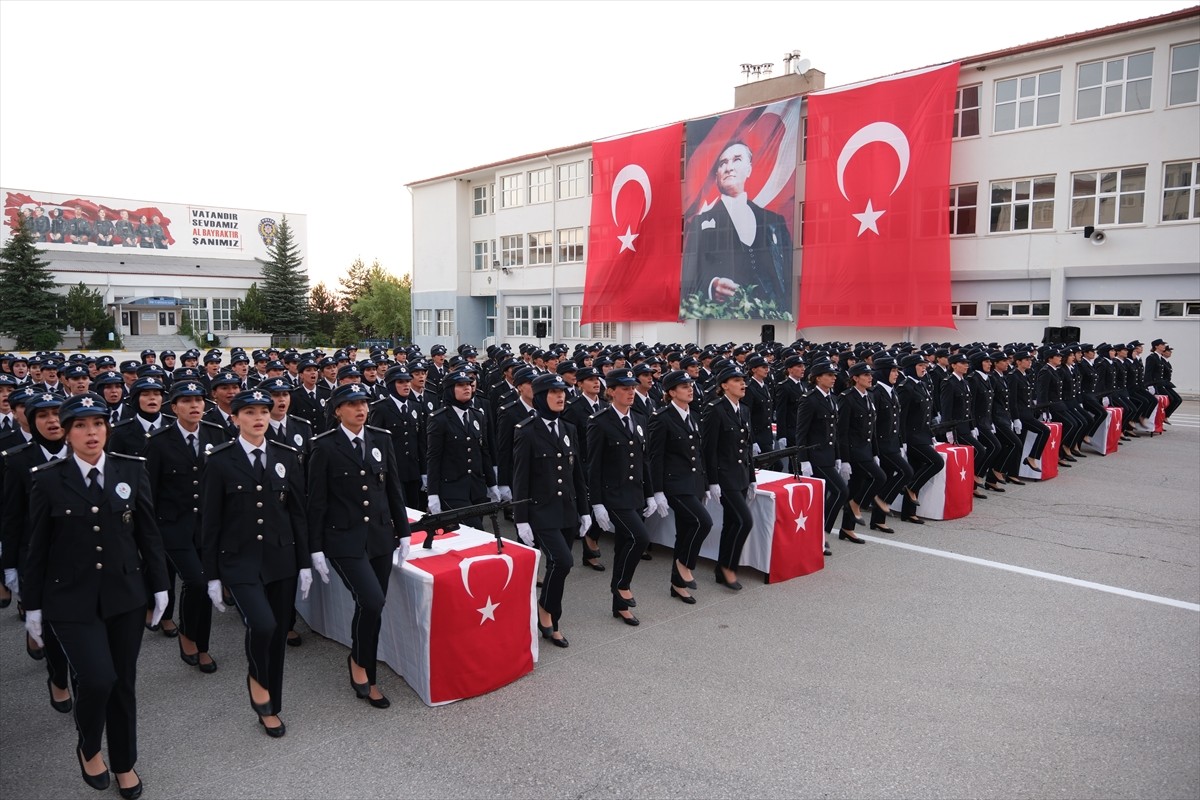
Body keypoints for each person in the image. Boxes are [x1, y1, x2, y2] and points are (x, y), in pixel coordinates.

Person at [23, 392, 169, 798]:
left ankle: (124, 762)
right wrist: (32, 605)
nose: (92, 433)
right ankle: (89, 745)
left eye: (99, 424)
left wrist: (159, 586)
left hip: (125, 593)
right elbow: (37, 547)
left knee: (123, 682)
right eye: (81, 426)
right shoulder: (48, 478)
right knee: (97, 678)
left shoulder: (130, 470)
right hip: (69, 598)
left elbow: (147, 533)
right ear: (67, 434)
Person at [200, 388, 311, 738]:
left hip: (282, 557)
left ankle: (270, 703)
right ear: (235, 419)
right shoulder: (219, 460)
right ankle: (256, 678)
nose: (259, 417)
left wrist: (304, 562)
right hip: (240, 560)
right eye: (248, 412)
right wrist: (212, 576)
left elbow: (297, 513)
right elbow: (210, 522)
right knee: (262, 626)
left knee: (277, 632)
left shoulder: (286, 455)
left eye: (262, 411)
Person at [307, 382, 411, 708]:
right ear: (338, 410)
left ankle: (360, 658)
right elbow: (317, 503)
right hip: (343, 538)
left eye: (364, 403)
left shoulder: (381, 438)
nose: (360, 409)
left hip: (380, 536)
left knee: (372, 605)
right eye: (352, 404)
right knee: (372, 599)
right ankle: (362, 667)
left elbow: (393, 488)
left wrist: (404, 531)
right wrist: (315, 548)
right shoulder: (324, 447)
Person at [143, 380, 226, 674]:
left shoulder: (216, 434)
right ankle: (189, 636)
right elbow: (148, 492)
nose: (194, 406)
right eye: (186, 401)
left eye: (199, 400)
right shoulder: (159, 441)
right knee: (197, 582)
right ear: (174, 406)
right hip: (173, 527)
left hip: (207, 526)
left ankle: (198, 641)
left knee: (201, 585)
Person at [1, 392, 72, 698]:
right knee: (53, 625)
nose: (52, 420)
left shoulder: (84, 453)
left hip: (83, 554)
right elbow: (12, 516)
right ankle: (58, 677)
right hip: (38, 557)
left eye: (57, 413)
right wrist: (9, 566)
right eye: (43, 415)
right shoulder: (18, 461)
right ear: (31, 421)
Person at [512, 373, 590, 647]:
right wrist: (521, 519)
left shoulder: (568, 428)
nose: (561, 397)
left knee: (561, 566)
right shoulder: (527, 430)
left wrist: (585, 509)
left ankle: (547, 608)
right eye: (554, 393)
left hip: (566, 509)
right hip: (540, 511)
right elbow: (520, 479)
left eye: (563, 393)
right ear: (540, 396)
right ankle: (549, 615)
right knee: (564, 561)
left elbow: (576, 473)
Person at [681, 141, 792, 308]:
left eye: (737, 159)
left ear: (749, 169)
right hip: (725, 316)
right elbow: (689, 276)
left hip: (773, 317)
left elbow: (787, 273)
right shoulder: (700, 223)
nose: (729, 168)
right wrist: (712, 286)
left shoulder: (774, 222)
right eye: (722, 163)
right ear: (717, 174)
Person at [587, 367, 656, 625]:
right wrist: (597, 504)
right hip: (613, 496)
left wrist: (650, 494)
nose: (631, 392)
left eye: (632, 388)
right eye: (625, 388)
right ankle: (621, 585)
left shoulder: (638, 420)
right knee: (641, 538)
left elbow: (644, 461)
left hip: (635, 494)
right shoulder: (600, 421)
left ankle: (620, 607)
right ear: (611, 392)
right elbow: (593, 466)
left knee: (624, 546)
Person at [647, 370, 711, 604]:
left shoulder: (692, 415)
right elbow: (655, 457)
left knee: (686, 531)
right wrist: (657, 491)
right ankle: (684, 565)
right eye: (684, 386)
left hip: (692, 483)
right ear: (671, 392)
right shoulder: (662, 417)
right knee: (704, 522)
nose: (690, 389)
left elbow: (698, 454)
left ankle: (677, 585)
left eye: (691, 385)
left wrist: (703, 484)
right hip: (674, 485)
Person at [702, 365, 756, 587]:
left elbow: (747, 447)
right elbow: (708, 449)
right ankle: (728, 567)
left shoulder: (743, 409)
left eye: (743, 379)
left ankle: (721, 567)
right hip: (724, 477)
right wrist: (712, 481)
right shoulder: (715, 409)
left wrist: (751, 477)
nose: (743, 383)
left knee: (733, 522)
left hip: (741, 474)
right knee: (745, 521)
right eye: (736, 380)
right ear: (724, 385)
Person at [426, 370, 499, 530]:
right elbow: (433, 458)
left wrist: (492, 484)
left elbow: (484, 452)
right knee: (476, 532)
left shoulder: (477, 415)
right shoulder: (440, 419)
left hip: (476, 489)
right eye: (460, 385)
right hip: (452, 490)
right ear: (450, 390)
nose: (467, 388)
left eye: (468, 384)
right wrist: (433, 494)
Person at [837, 362, 891, 542]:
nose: (870, 378)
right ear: (855, 378)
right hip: (854, 451)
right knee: (880, 477)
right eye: (865, 375)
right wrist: (844, 459)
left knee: (855, 486)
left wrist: (875, 452)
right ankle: (856, 504)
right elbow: (841, 431)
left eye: (870, 375)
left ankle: (846, 528)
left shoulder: (869, 396)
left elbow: (872, 429)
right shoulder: (846, 398)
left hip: (866, 449)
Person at [867, 357, 912, 534]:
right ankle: (882, 499)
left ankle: (878, 520)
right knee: (906, 472)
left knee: (887, 476)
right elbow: (872, 424)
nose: (896, 374)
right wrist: (874, 450)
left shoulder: (892, 391)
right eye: (893, 371)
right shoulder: (876, 393)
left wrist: (902, 442)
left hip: (893, 443)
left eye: (896, 371)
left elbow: (897, 421)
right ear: (884, 372)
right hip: (881, 445)